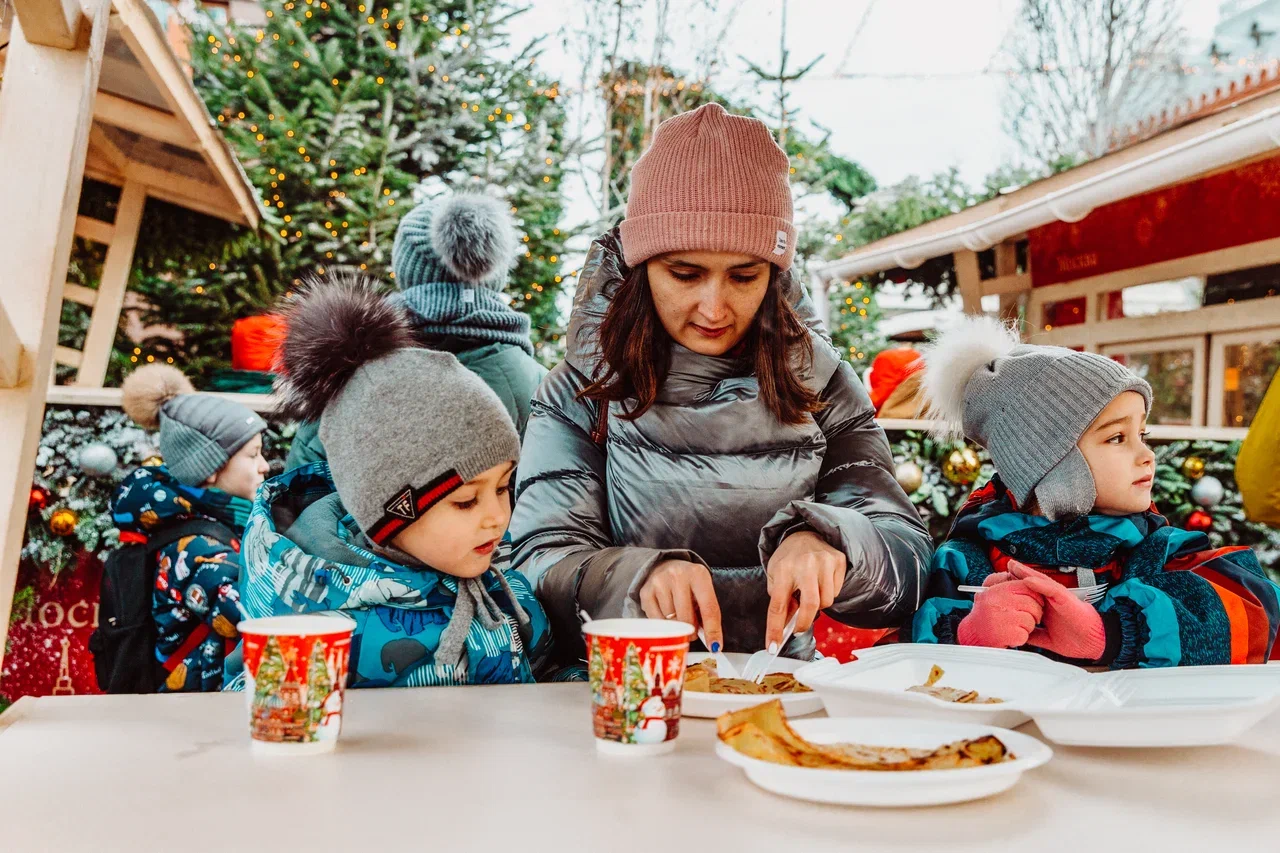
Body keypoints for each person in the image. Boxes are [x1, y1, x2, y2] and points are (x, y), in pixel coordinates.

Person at [509, 103, 932, 666]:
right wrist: (633, 577)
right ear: (642, 269)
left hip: (779, 693)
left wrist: (836, 541)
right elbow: (536, 564)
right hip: (622, 693)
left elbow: (909, 560)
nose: (714, 307)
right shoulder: (582, 391)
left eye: (743, 275)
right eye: (685, 274)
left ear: (775, 274)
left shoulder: (821, 383)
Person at [231, 277, 550, 688]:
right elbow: (257, 709)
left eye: (504, 488)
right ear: (393, 511)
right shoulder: (316, 632)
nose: (496, 517)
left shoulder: (504, 585)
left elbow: (546, 669)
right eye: (467, 501)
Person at [909, 316, 1280, 666]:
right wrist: (965, 634)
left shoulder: (1158, 550)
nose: (1147, 455)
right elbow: (909, 664)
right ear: (1049, 465)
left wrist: (1114, 632)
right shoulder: (967, 561)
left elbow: (1254, 613)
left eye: (1142, 435)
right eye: (1118, 437)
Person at [285, 193, 545, 469]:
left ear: (406, 270)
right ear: (494, 271)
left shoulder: (350, 364)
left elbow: (304, 486)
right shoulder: (538, 383)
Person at [112, 364, 269, 691]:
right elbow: (261, 616)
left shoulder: (214, 525)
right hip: (197, 711)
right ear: (209, 467)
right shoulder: (198, 548)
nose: (264, 466)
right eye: (253, 455)